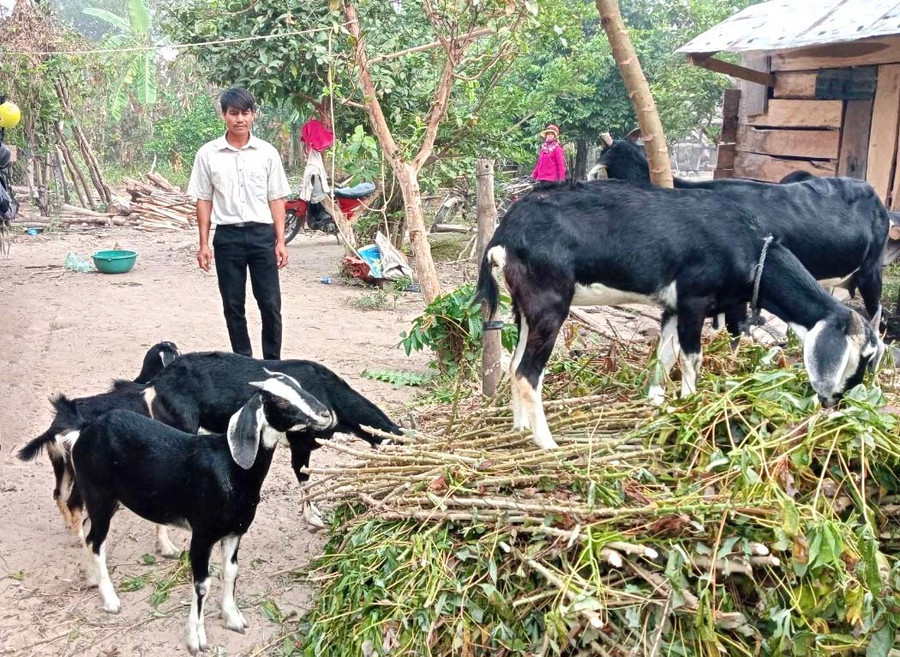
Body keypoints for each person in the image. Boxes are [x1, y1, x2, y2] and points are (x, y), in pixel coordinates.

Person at [187, 87, 292, 360]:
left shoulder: (267, 153)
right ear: (224, 115)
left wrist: (281, 241)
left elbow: (276, 198)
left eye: (245, 113)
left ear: (253, 115)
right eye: (234, 113)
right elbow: (204, 200)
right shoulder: (208, 154)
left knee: (270, 303)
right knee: (233, 305)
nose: (240, 119)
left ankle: (273, 364)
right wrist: (203, 244)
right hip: (227, 238)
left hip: (262, 236)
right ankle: (243, 362)